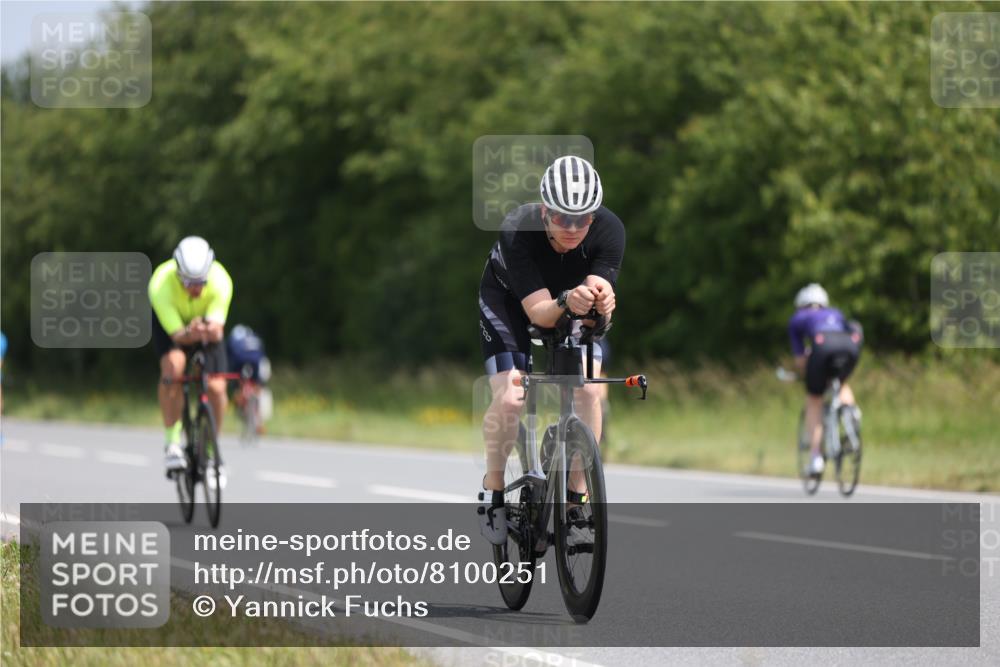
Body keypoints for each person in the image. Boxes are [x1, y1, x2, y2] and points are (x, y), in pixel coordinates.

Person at [477, 156, 624, 544]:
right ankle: (493, 489)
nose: (573, 228)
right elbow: (540, 315)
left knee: (589, 390)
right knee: (511, 397)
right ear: (545, 211)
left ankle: (576, 497)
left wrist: (603, 304)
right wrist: (567, 299)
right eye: (562, 218)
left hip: (568, 301)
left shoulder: (609, 229)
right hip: (511, 302)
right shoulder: (518, 230)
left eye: (583, 219)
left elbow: (596, 302)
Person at [148, 236, 233, 485]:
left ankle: (211, 452)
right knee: (174, 367)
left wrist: (205, 329)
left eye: (201, 282)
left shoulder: (221, 280)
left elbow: (216, 332)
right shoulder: (160, 284)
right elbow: (177, 336)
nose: (196, 289)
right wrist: (191, 332)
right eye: (188, 283)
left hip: (205, 327)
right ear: (178, 274)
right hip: (174, 329)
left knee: (217, 388)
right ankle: (172, 442)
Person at [788, 283, 862, 476]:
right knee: (841, 382)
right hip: (850, 347)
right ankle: (851, 412)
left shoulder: (798, 318)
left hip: (822, 347)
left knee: (814, 399)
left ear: (801, 304)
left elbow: (800, 360)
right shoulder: (836, 313)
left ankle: (815, 458)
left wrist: (804, 373)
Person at [226, 324, 272, 434]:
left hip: (239, 362)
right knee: (261, 387)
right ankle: (260, 419)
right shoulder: (255, 337)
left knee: (237, 387)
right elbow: (263, 354)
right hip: (259, 362)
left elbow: (230, 359)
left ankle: (242, 407)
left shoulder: (233, 340)